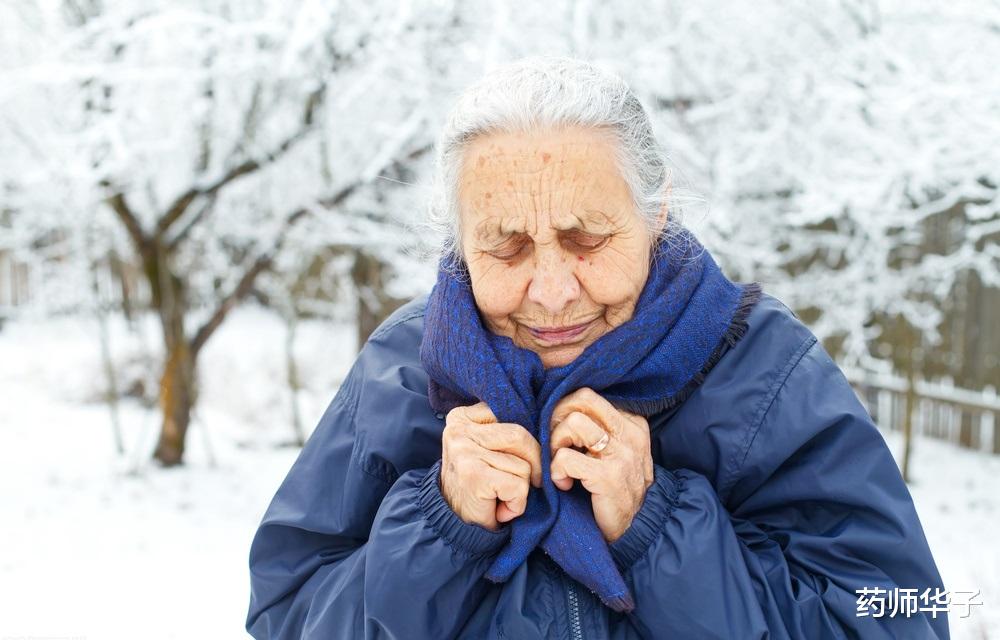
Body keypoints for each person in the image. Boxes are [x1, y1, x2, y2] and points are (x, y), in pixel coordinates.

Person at [245, 56, 948, 639]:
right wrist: (437, 529)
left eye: (587, 240)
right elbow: (286, 614)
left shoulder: (765, 372)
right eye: (505, 246)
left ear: (656, 212)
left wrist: (663, 528)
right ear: (459, 242)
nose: (551, 292)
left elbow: (903, 620)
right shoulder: (400, 370)